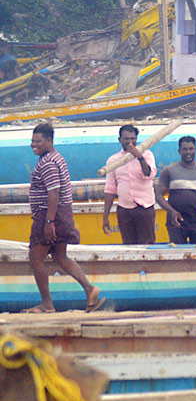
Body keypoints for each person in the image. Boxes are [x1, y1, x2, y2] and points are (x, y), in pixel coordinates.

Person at [25, 123, 102, 313]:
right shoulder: (53, 158)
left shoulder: (49, 162)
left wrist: (49, 222)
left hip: (50, 214)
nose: (34, 145)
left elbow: (54, 192)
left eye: (39, 141)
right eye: (32, 141)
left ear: (50, 141)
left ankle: (47, 304)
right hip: (60, 213)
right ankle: (90, 289)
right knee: (60, 255)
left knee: (36, 257)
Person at [155, 135, 196, 244]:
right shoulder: (169, 171)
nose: (188, 152)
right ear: (179, 151)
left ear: (195, 150)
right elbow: (158, 196)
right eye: (185, 149)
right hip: (176, 224)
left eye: (191, 149)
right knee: (177, 256)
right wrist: (172, 212)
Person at [102, 124, 158, 244]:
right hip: (124, 209)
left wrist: (139, 157)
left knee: (146, 245)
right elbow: (110, 189)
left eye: (133, 139)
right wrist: (105, 216)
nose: (130, 142)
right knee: (128, 246)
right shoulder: (113, 160)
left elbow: (148, 174)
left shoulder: (147, 155)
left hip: (144, 208)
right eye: (126, 139)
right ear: (120, 140)